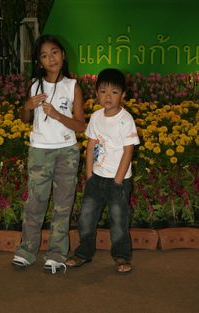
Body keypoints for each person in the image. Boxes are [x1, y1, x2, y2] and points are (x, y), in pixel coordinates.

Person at [12, 34, 85, 274]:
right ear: (39, 62)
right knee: (35, 204)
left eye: (54, 52)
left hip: (67, 152)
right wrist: (27, 106)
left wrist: (57, 115)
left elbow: (80, 126)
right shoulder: (34, 84)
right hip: (40, 152)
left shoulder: (73, 87)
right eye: (44, 55)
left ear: (63, 55)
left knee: (63, 206)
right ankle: (27, 251)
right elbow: (25, 119)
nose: (50, 58)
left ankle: (56, 254)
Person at [65, 68, 140, 274]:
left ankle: (121, 256)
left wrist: (117, 180)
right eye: (104, 91)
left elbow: (128, 152)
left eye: (114, 92)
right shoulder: (97, 116)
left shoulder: (126, 120)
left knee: (118, 220)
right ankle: (83, 253)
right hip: (96, 178)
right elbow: (91, 145)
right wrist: (89, 174)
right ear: (97, 92)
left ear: (123, 95)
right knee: (87, 217)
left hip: (118, 181)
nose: (108, 96)